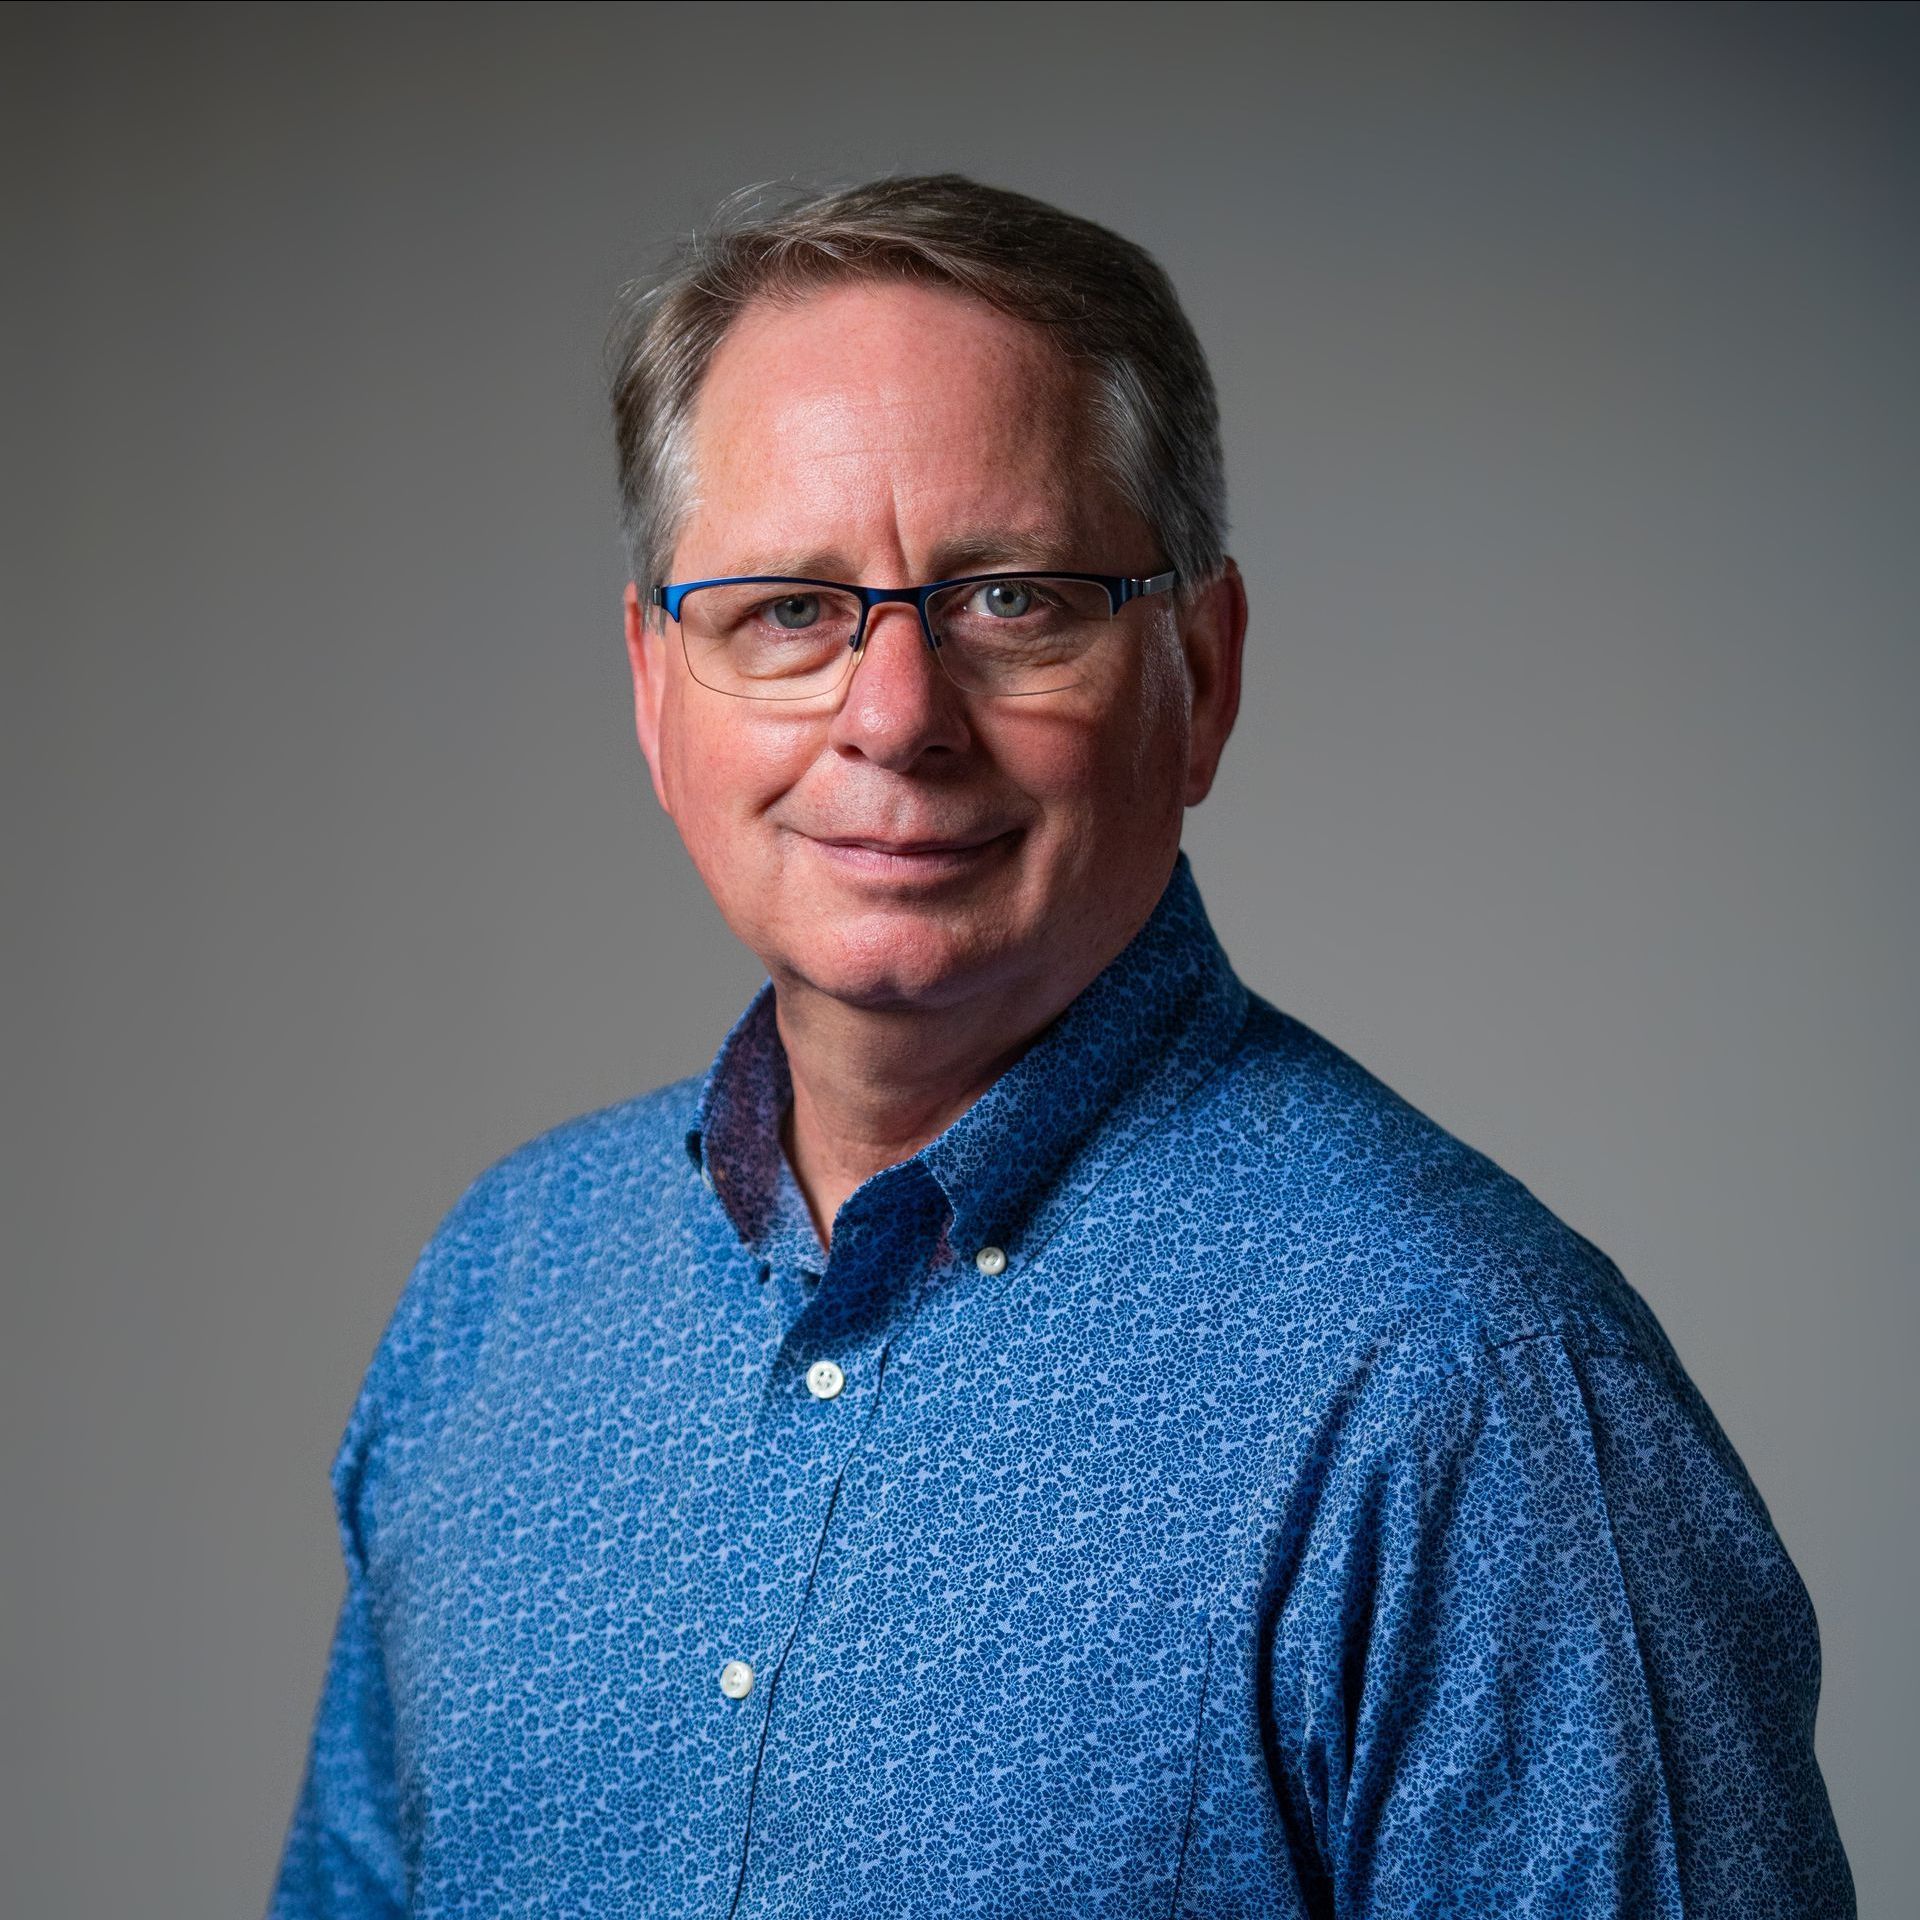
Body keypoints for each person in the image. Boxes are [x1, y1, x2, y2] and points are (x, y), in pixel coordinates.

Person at [266, 174, 1853, 1918]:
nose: (893, 716)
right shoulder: (504, 1289)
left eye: (1013, 600)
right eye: (787, 610)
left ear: (1205, 668)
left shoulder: (1466, 1391)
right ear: (657, 690)